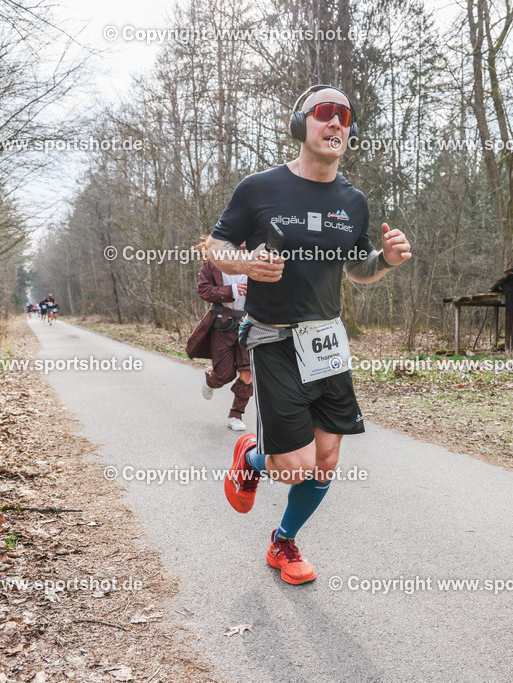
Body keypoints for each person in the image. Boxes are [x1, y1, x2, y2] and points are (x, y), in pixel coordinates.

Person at [206, 84, 411, 584]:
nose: (335, 123)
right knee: (292, 466)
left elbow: (357, 269)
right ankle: (253, 458)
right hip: (273, 337)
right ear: (302, 124)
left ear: (351, 132)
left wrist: (385, 260)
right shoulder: (259, 188)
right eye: (324, 113)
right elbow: (213, 246)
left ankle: (284, 542)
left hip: (327, 341)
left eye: (344, 117)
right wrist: (246, 263)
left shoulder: (353, 201)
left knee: (325, 460)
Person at [185, 244, 253, 431]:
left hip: (250, 324)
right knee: (224, 375)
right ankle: (210, 378)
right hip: (223, 324)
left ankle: (236, 415)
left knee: (248, 372)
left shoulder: (257, 260)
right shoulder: (213, 262)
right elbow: (204, 291)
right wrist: (231, 290)